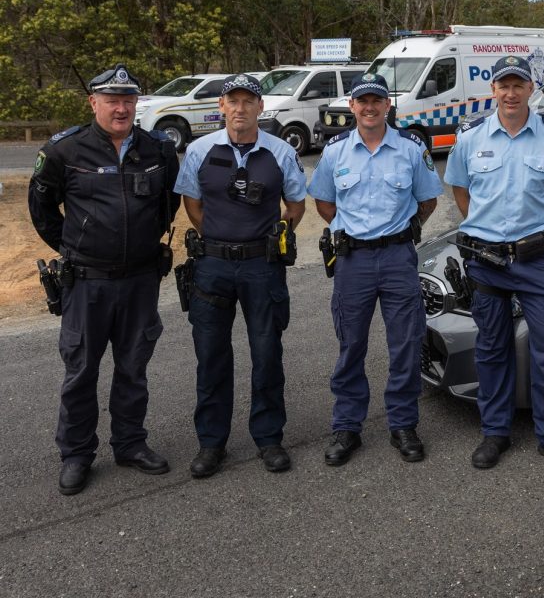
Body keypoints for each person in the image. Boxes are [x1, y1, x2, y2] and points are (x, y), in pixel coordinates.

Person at [29, 63, 180, 495]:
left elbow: (166, 206)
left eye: (128, 100)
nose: (121, 108)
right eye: (112, 100)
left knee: (134, 367)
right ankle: (76, 453)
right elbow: (42, 210)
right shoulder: (65, 151)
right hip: (86, 282)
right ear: (93, 102)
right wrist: (77, 249)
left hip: (140, 280)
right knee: (81, 370)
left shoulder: (158, 151)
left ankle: (130, 444)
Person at [443, 56, 544, 473]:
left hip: (537, 260)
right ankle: (496, 432)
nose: (510, 93)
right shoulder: (470, 137)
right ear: (493, 90)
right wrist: (487, 230)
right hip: (486, 261)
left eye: (518, 85)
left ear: (530, 90)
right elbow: (461, 190)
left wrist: (537, 232)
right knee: (492, 350)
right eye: (503, 85)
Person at [173, 73, 307, 478]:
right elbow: (192, 205)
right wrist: (219, 237)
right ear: (221, 106)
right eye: (232, 101)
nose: (240, 108)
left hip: (261, 266)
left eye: (249, 101)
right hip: (212, 266)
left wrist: (267, 239)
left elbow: (296, 206)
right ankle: (212, 443)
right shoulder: (198, 151)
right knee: (211, 355)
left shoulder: (281, 153)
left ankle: (269, 438)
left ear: (260, 107)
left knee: (267, 353)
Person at [308, 73, 442, 467]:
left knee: (405, 343)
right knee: (351, 344)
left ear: (388, 106)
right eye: (362, 101)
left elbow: (428, 200)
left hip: (398, 257)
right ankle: (347, 426)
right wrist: (349, 232)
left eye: (377, 101)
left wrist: (404, 229)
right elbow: (325, 204)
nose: (369, 107)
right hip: (353, 261)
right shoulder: (335, 152)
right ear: (352, 106)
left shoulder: (410, 148)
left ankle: (403, 424)